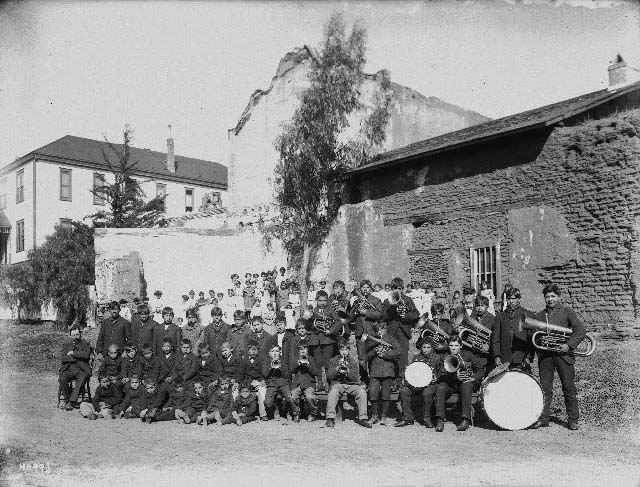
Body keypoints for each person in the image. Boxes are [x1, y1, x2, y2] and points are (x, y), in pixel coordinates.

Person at [531, 283, 586, 431]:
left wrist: (568, 345)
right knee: (545, 388)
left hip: (564, 355)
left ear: (558, 297)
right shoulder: (540, 315)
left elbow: (580, 330)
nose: (550, 299)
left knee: (568, 388)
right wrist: (541, 341)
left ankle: (573, 420)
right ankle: (543, 418)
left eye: (553, 296)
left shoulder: (567, 312)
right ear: (544, 298)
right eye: (547, 297)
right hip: (546, 356)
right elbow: (535, 335)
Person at [434, 336, 484, 432]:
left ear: (461, 346)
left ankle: (465, 420)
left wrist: (473, 378)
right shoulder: (444, 357)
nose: (453, 348)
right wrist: (452, 375)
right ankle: (439, 419)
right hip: (450, 383)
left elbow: (480, 371)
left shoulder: (468, 355)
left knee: (467, 386)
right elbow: (439, 373)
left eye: (456, 345)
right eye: (451, 345)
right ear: (448, 346)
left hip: (463, 383)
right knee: (440, 388)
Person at [396, 340, 444, 427]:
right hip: (416, 384)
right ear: (421, 348)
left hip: (430, 384)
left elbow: (442, 372)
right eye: (424, 347)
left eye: (428, 347)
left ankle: (427, 419)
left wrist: (436, 377)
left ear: (432, 348)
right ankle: (408, 418)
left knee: (427, 393)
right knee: (404, 391)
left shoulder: (437, 358)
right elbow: (412, 370)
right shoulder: (416, 357)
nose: (426, 350)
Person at [325, 340, 372, 429]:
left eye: (346, 349)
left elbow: (355, 378)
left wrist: (348, 371)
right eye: (342, 349)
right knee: (333, 392)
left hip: (350, 384)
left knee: (362, 392)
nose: (344, 352)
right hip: (338, 384)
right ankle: (330, 418)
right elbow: (329, 376)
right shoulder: (333, 360)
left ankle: (363, 418)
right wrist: (337, 369)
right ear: (339, 350)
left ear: (349, 350)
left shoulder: (353, 361)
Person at [381, 277, 419, 379]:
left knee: (403, 356)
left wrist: (405, 316)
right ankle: (392, 380)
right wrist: (393, 310)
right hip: (391, 332)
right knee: (392, 355)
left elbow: (416, 314)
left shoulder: (407, 300)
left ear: (402, 289)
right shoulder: (387, 301)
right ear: (392, 289)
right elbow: (383, 316)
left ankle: (403, 379)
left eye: (400, 288)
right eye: (395, 288)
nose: (398, 291)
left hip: (403, 332)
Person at [305, 290, 344, 390]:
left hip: (327, 340)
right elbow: (308, 327)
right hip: (315, 341)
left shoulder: (331, 310)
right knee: (318, 363)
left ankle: (328, 384)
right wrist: (308, 319)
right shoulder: (313, 311)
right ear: (316, 300)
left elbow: (339, 322)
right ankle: (319, 384)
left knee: (327, 363)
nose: (323, 303)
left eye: (325, 300)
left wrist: (330, 331)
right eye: (320, 300)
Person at [365, 322, 400, 425]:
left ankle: (384, 416)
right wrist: (375, 351)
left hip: (387, 370)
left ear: (386, 329)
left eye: (382, 329)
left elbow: (398, 352)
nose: (380, 331)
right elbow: (366, 356)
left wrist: (385, 354)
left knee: (385, 394)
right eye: (378, 329)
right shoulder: (372, 340)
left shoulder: (391, 339)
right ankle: (374, 415)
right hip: (375, 370)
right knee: (373, 393)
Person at [492, 287, 534, 371]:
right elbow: (495, 338)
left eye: (514, 298)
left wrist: (529, 357)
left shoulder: (527, 314)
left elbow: (531, 339)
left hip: (522, 358)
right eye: (508, 299)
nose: (511, 301)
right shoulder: (500, 316)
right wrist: (497, 356)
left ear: (519, 299)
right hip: (504, 358)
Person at [351, 280, 383, 381]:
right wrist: (353, 308)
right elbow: (350, 317)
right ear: (360, 289)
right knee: (361, 359)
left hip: (372, 332)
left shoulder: (376, 300)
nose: (365, 289)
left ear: (371, 289)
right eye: (363, 287)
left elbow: (380, 315)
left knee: (373, 358)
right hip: (360, 333)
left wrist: (366, 312)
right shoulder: (356, 300)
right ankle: (364, 380)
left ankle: (374, 380)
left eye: (368, 287)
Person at [262, 345, 298, 422]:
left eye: (277, 351)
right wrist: (271, 368)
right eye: (272, 351)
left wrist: (280, 368)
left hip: (283, 382)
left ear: (280, 352)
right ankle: (276, 409)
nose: (275, 353)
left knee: (289, 397)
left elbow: (287, 375)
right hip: (272, 383)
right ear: (269, 353)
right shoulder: (267, 361)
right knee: (267, 402)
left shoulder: (283, 360)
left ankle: (293, 412)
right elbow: (265, 374)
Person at [59, 326, 92, 410]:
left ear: (80, 334)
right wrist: (77, 357)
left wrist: (73, 353)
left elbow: (86, 355)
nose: (75, 337)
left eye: (77, 334)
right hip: (68, 368)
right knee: (62, 378)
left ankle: (71, 402)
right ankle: (68, 398)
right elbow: (63, 358)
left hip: (81, 369)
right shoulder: (66, 345)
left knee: (81, 379)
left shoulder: (86, 344)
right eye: (73, 335)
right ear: (70, 335)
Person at [290, 344, 319, 422]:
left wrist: (308, 365)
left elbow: (315, 372)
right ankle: (296, 413)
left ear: (308, 350)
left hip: (309, 383)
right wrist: (297, 364)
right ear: (298, 351)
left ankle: (313, 413)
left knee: (310, 397)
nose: (303, 351)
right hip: (298, 383)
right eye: (300, 349)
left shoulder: (311, 359)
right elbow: (291, 371)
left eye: (305, 349)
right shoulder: (295, 359)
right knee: (292, 396)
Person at [240, 341, 267, 420]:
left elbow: (264, 372)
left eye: (255, 350)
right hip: (247, 381)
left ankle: (263, 414)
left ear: (258, 351)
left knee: (262, 391)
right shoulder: (244, 360)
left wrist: (263, 380)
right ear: (248, 351)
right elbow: (241, 374)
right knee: (243, 392)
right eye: (251, 349)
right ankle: (244, 413)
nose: (253, 351)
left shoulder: (261, 360)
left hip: (258, 381)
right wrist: (246, 383)